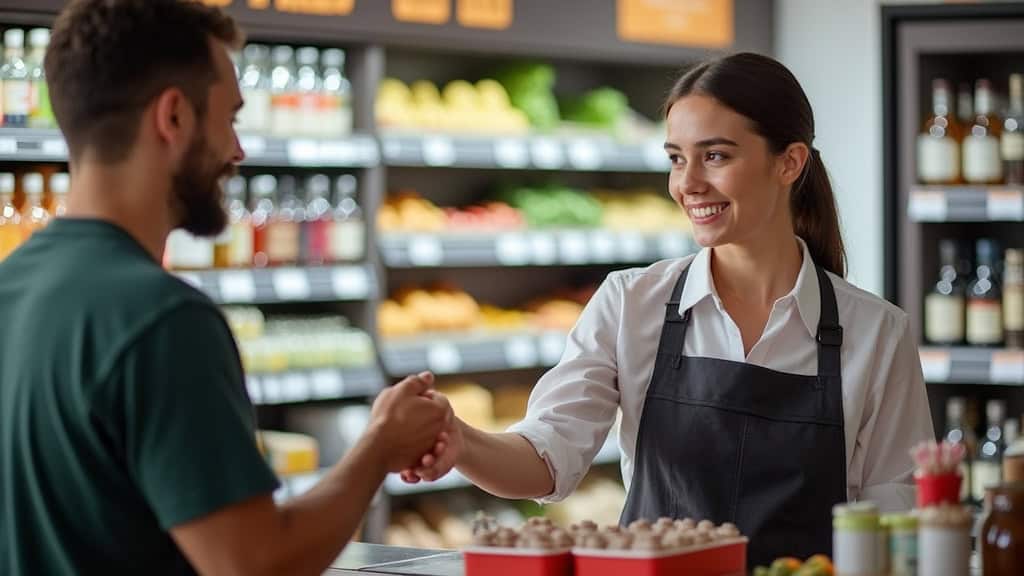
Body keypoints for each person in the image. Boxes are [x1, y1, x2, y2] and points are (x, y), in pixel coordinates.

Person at [403, 52, 934, 567]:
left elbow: (897, 521)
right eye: (677, 158)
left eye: (717, 155)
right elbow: (547, 461)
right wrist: (460, 440)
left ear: (789, 162)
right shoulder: (630, 303)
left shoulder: (876, 333)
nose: (688, 183)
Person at [0, 1, 451, 575]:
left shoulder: (10, 284)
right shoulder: (161, 320)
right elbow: (252, 564)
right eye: (230, 117)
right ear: (174, 117)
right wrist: (378, 450)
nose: (237, 151)